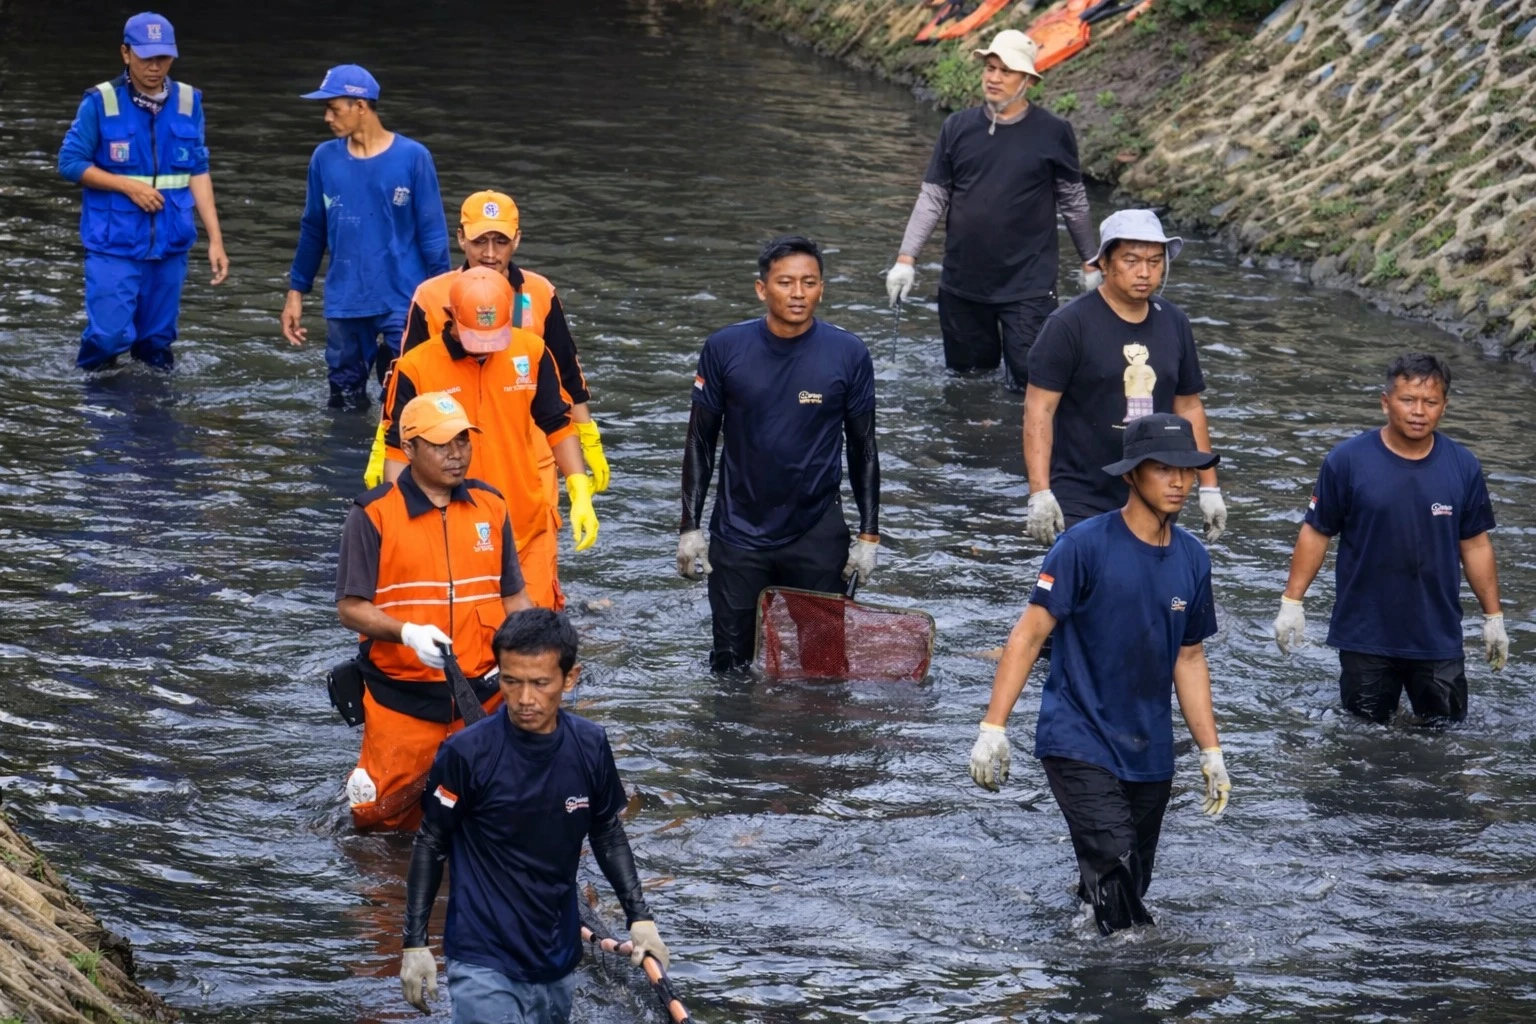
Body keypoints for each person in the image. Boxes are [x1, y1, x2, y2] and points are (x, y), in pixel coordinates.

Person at [969, 413, 1231, 936]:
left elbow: (1190, 658)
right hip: (1077, 736)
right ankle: (1122, 986)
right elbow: (1028, 635)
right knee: (1117, 878)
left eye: (1188, 469)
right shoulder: (1082, 546)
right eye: (1163, 469)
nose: (1180, 482)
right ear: (1132, 474)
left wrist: (1211, 752)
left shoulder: (1193, 560)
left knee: (1128, 880)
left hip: (1150, 750)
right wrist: (992, 729)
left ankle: (1087, 938)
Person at [399, 609, 672, 1022]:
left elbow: (607, 832)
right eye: (511, 681)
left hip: (557, 958)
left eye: (540, 683)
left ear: (570, 678)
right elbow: (431, 841)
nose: (525, 699)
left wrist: (641, 919)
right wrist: (415, 946)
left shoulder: (590, 746)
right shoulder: (465, 754)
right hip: (482, 957)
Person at [678, 235, 881, 672]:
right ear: (761, 288)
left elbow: (864, 446)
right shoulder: (725, 348)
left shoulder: (848, 353)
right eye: (786, 282)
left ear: (822, 288)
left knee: (823, 665)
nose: (798, 293)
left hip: (816, 531)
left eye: (809, 283)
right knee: (730, 666)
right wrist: (689, 528)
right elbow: (700, 440)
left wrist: (868, 536)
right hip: (738, 532)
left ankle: (815, 739)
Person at [335, 391, 533, 830]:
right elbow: (350, 609)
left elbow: (514, 596)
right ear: (408, 449)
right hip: (401, 704)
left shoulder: (491, 505)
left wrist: (541, 650)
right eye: (441, 444)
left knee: (497, 817)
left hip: (483, 699)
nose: (456, 454)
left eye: (463, 441)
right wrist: (406, 633)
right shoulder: (372, 514)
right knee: (382, 827)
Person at [1274, 353, 1508, 723]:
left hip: (1437, 634)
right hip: (1364, 632)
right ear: (1386, 402)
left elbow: (1476, 544)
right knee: (1363, 741)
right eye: (1408, 400)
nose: (1419, 411)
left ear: (1444, 407)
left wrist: (1493, 617)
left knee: (1445, 738)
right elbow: (1316, 532)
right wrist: (1292, 602)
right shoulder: (1347, 461)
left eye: (1430, 402)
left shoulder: (1463, 466)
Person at [362, 190, 608, 504]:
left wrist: (587, 438)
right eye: (480, 241)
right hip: (453, 454)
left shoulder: (540, 293)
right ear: (461, 239)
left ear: (517, 240)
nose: (489, 253)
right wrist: (385, 443)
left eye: (500, 241)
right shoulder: (431, 297)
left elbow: (568, 376)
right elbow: (403, 380)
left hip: (531, 455)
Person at [884, 29, 1095, 392]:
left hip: (1028, 284)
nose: (994, 77)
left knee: (1034, 385)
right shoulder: (958, 127)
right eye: (990, 68)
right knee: (968, 386)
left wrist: (1091, 261)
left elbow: (1073, 200)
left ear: (1027, 79)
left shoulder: (1054, 132)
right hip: (962, 283)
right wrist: (906, 259)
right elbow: (933, 197)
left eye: (1005, 70)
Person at [383, 268, 598, 611]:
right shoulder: (415, 367)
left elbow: (559, 424)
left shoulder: (532, 351)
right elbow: (397, 447)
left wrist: (579, 488)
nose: (483, 351)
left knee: (539, 637)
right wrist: (393, 518)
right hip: (449, 528)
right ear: (450, 317)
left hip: (525, 524)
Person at [1024, 209, 1227, 546]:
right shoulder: (1068, 325)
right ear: (1104, 263)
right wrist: (1039, 493)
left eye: (1154, 261)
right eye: (1131, 260)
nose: (1145, 272)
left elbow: (1189, 406)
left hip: (1153, 489)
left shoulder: (1174, 322)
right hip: (1081, 491)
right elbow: (1038, 409)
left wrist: (1209, 487)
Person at [57, 11, 228, 371]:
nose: (155, 66)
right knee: (108, 337)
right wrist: (126, 185)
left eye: (163, 57)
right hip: (113, 244)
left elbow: (197, 169)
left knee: (156, 344)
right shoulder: (100, 102)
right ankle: (95, 409)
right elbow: (70, 163)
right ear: (125, 53)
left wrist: (215, 238)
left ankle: (153, 419)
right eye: (146, 57)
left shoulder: (188, 101)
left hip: (170, 245)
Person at [281, 64, 450, 411]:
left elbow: (433, 235)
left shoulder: (413, 158)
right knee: (343, 403)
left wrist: (443, 303)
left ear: (361, 106)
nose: (327, 117)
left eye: (334, 108)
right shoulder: (323, 159)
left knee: (407, 401)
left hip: (403, 301)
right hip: (346, 303)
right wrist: (296, 291)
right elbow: (313, 228)